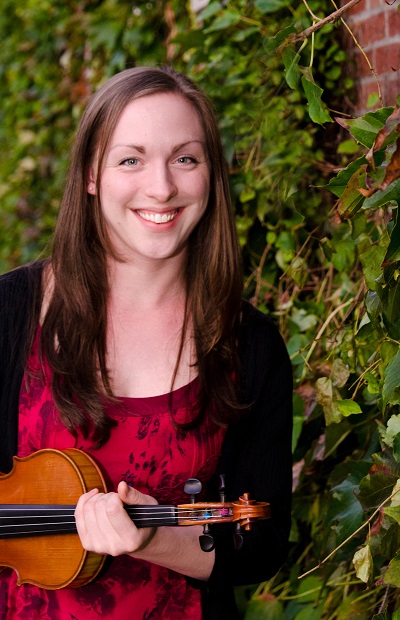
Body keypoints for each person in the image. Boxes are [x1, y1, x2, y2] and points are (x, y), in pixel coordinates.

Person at [0, 66, 293, 620]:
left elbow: (263, 542)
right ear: (92, 175)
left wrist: (151, 539)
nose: (161, 187)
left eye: (185, 158)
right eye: (130, 159)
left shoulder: (252, 347)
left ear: (210, 174)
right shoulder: (9, 313)